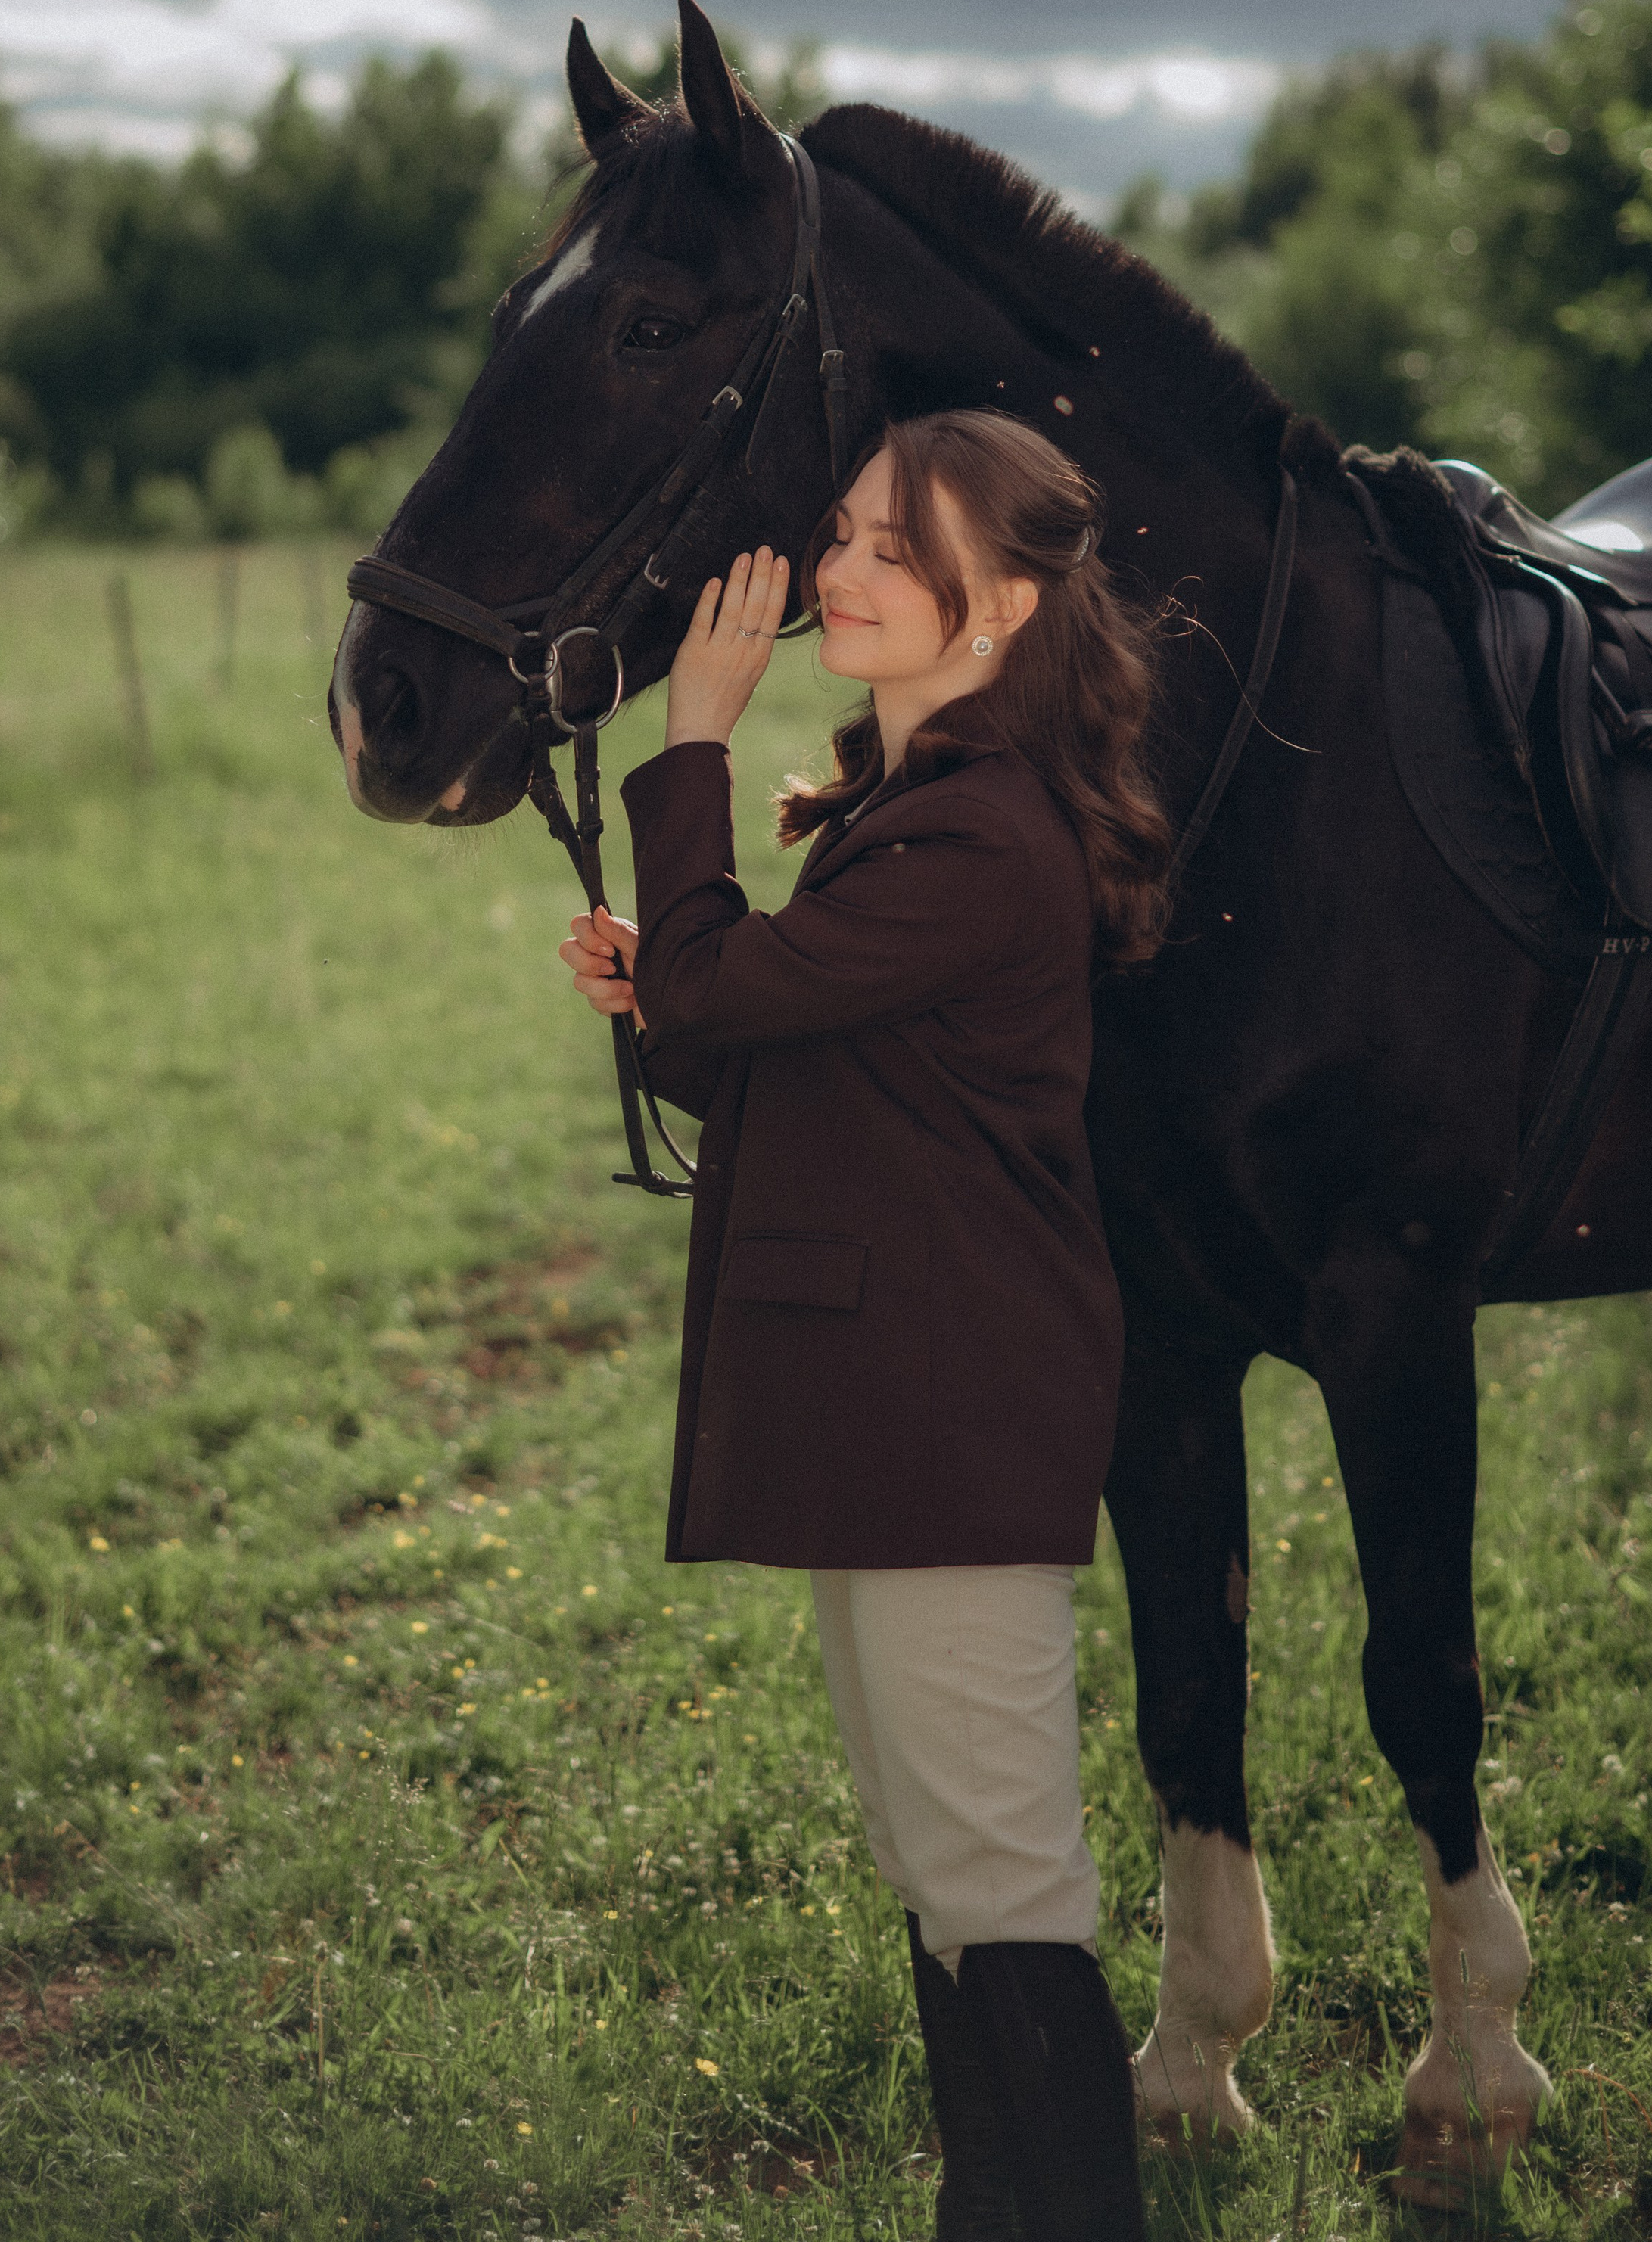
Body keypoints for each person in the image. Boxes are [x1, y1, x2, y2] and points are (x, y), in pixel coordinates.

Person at [558, 409, 1171, 2241]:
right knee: (936, 1863)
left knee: (998, 1872)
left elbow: (732, 993)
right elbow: (780, 1048)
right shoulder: (913, 809)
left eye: (891, 548)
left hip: (946, 1410)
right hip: (897, 1403)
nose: (834, 571)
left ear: (1001, 603)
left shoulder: (977, 830)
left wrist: (690, 741)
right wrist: (677, 981)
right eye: (840, 531)